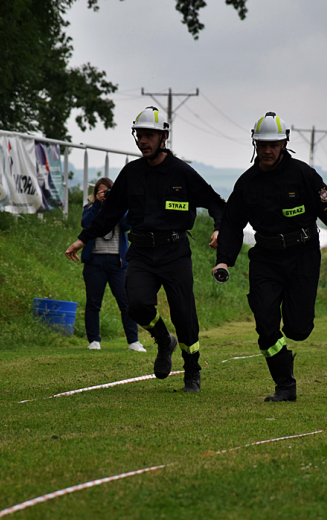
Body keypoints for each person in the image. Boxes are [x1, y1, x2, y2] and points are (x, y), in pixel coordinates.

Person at [65, 106, 225, 393]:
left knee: (184, 315)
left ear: (163, 137)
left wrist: (219, 227)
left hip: (175, 252)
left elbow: (215, 202)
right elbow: (109, 213)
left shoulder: (182, 172)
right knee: (136, 305)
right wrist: (83, 238)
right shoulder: (131, 173)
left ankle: (192, 372)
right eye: (139, 135)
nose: (143, 140)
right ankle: (165, 341)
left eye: (149, 135)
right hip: (140, 252)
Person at [214, 112, 327, 402]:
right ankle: (284, 384)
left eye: (274, 144)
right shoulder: (247, 183)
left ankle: (291, 345)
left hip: (303, 256)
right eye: (262, 144)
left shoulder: (303, 175)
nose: (268, 150)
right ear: (254, 144)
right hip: (266, 259)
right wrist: (224, 259)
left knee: (298, 329)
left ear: (284, 143)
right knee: (265, 324)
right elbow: (232, 224)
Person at [81, 177, 145, 352]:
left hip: (119, 262)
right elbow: (86, 224)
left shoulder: (121, 208)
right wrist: (98, 206)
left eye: (107, 191)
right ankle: (94, 340)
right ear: (95, 193)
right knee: (93, 303)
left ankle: (133, 341)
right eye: (101, 191)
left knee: (126, 302)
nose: (104, 194)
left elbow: (127, 225)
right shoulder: (90, 208)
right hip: (95, 261)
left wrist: (115, 205)